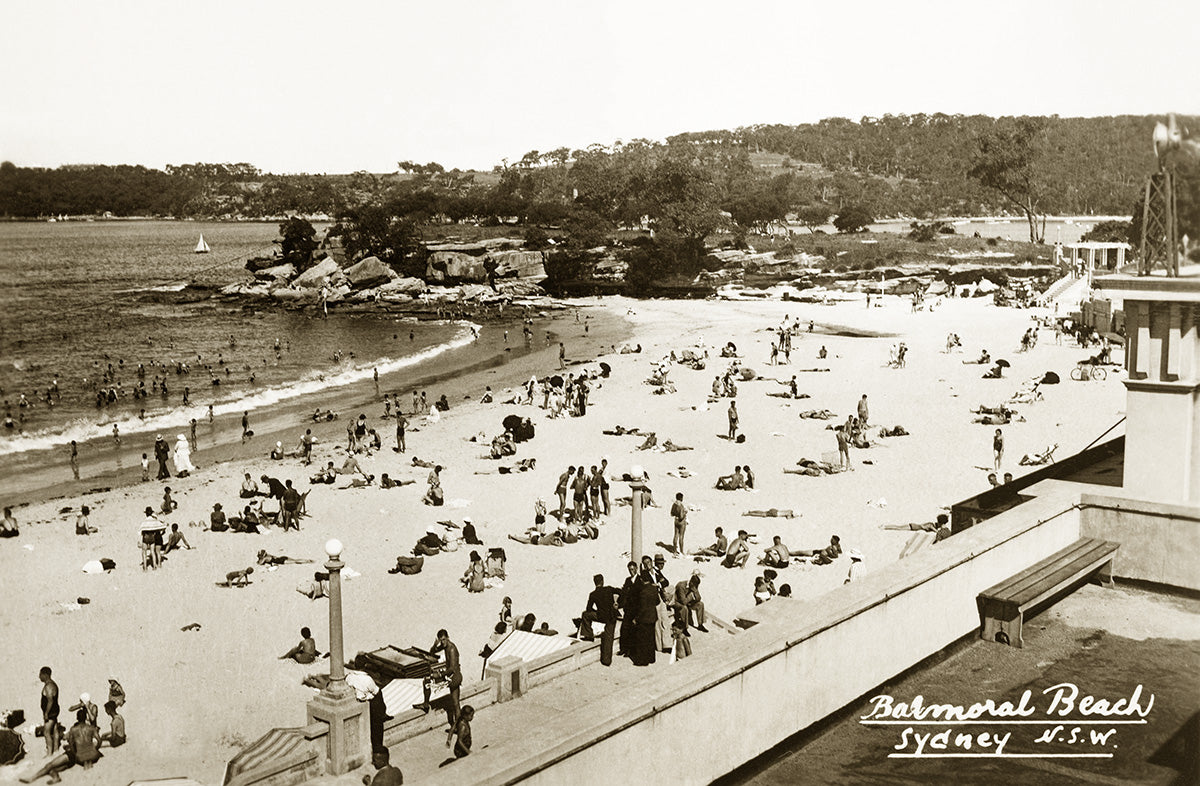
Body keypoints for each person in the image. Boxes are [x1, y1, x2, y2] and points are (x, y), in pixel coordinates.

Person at [21, 708, 101, 783]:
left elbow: (71, 744)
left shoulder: (73, 729)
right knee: (65, 765)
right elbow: (99, 740)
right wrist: (95, 748)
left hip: (79, 757)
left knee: (50, 765)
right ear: (85, 717)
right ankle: (55, 775)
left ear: (77, 718)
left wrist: (74, 753)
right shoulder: (91, 728)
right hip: (93, 755)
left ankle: (32, 778)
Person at [583, 574, 619, 666]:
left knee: (585, 615)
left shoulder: (593, 594)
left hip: (600, 616)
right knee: (608, 638)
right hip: (611, 616)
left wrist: (597, 611)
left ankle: (588, 634)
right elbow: (621, 592)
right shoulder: (609, 589)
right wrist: (617, 603)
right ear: (602, 581)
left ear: (595, 583)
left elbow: (588, 609)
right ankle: (606, 661)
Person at [430, 629, 462, 728]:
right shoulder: (446, 646)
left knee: (455, 703)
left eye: (444, 640)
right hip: (453, 677)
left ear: (448, 638)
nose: (442, 642)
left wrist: (440, 674)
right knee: (455, 703)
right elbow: (432, 652)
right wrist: (435, 645)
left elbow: (452, 668)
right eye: (441, 640)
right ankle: (458, 726)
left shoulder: (451, 649)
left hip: (454, 677)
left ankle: (458, 725)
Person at [38, 667, 60, 757]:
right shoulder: (53, 684)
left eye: (40, 675)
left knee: (46, 732)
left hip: (50, 713)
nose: (39, 677)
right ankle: (56, 749)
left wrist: (46, 713)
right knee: (55, 730)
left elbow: (50, 700)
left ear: (45, 675)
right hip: (54, 711)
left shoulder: (48, 686)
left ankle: (49, 753)